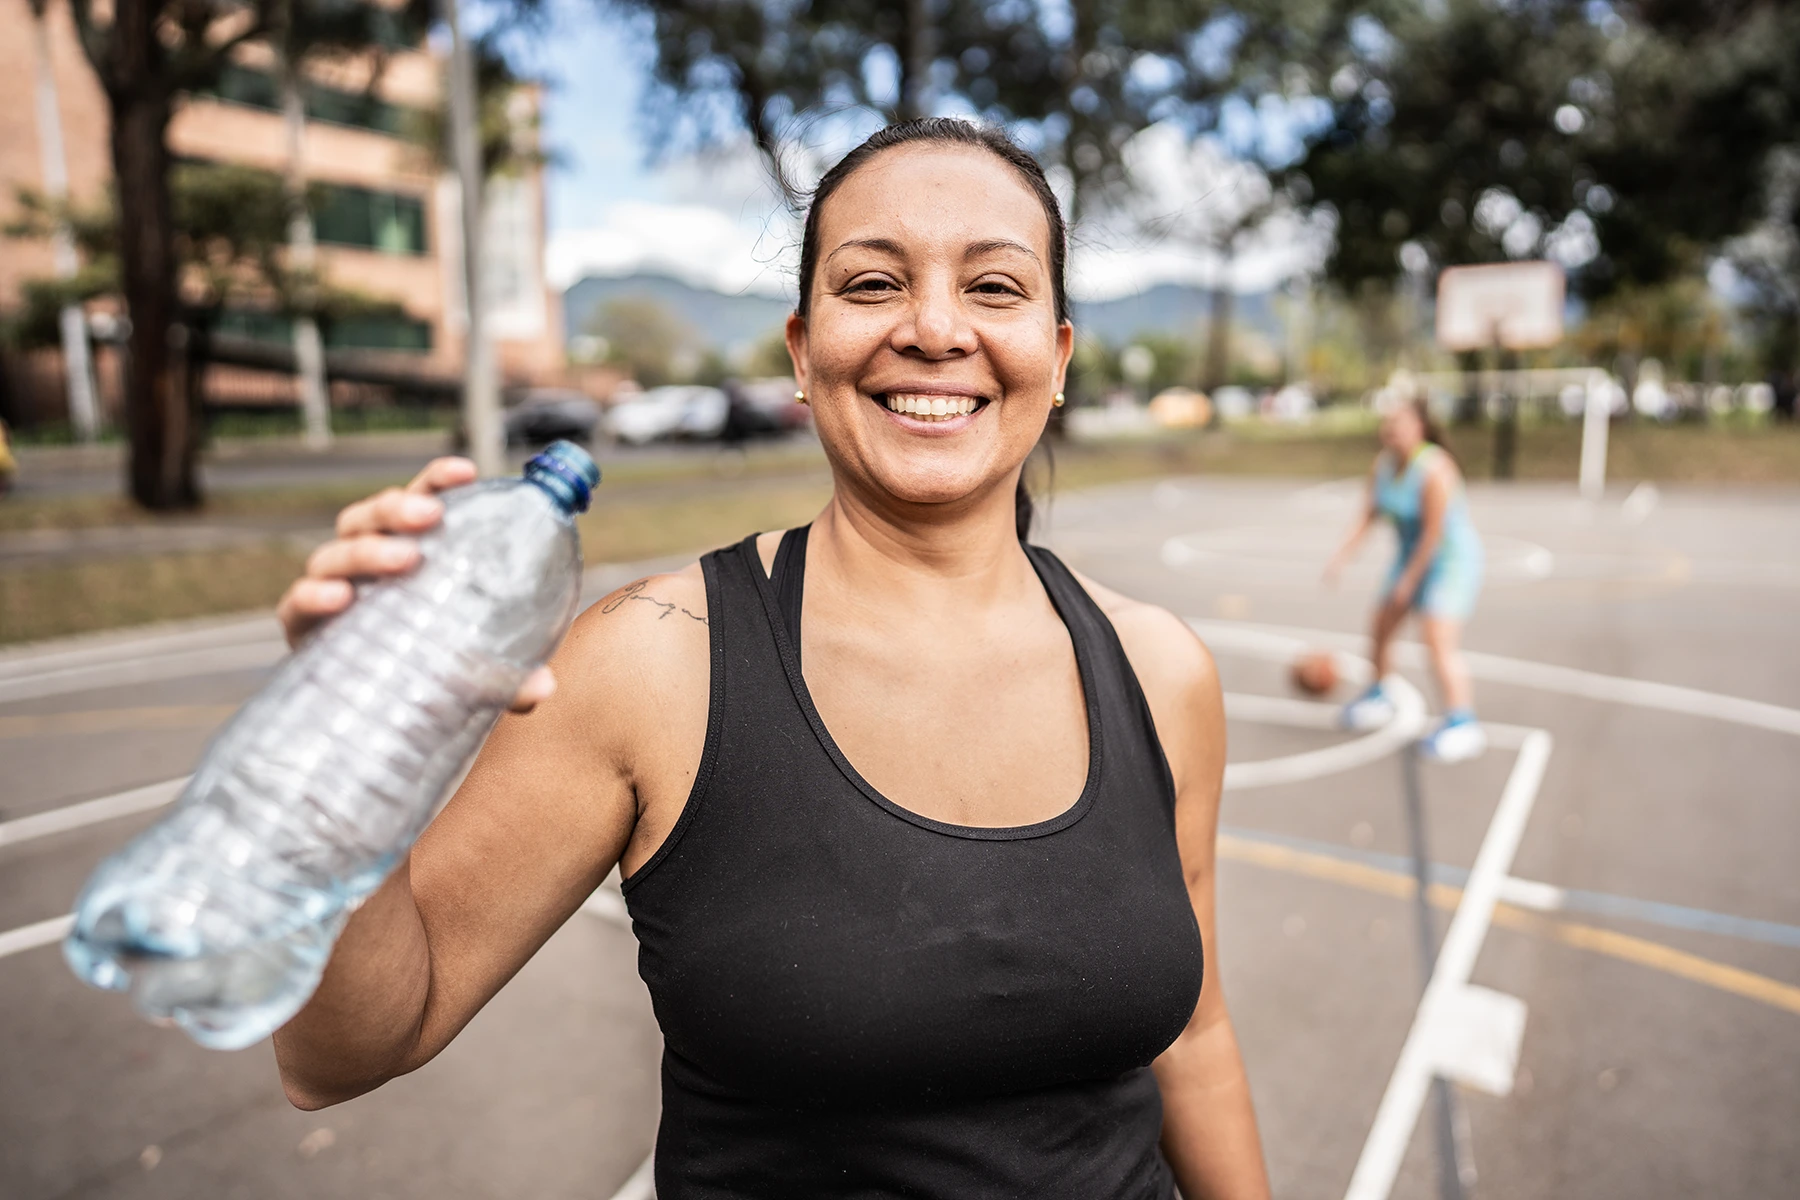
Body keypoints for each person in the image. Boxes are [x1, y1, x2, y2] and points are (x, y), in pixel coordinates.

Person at [271, 119, 1270, 1199]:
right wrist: (339, 754)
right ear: (803, 351)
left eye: (993, 288)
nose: (935, 329)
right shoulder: (656, 663)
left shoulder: (1161, 671)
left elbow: (1195, 1038)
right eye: (874, 283)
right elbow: (343, 1053)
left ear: (1058, 357)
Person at [1325, 391, 1486, 762]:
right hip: (1410, 558)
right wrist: (1341, 557)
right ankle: (1378, 694)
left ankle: (1463, 722)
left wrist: (1409, 582)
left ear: (1420, 426)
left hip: (1448, 561)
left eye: (1398, 422)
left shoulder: (1435, 468)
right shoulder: (1384, 465)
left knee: (1437, 640)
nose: (1390, 429)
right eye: (1387, 423)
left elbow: (1433, 533)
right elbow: (1368, 515)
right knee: (1381, 623)